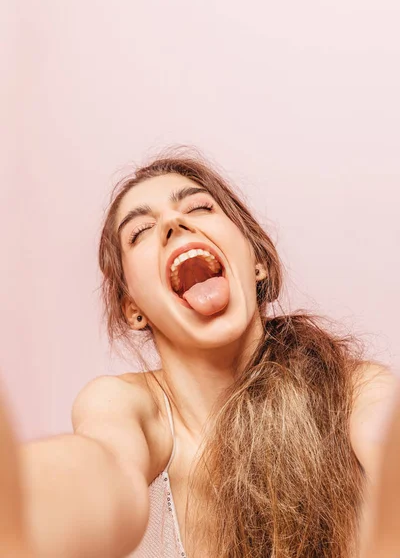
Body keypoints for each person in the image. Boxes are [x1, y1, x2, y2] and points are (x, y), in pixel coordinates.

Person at [1, 145, 399, 557]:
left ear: (257, 259)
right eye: (139, 232)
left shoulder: (354, 391)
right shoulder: (126, 407)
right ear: (133, 308)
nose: (173, 223)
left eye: (199, 208)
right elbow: (101, 476)